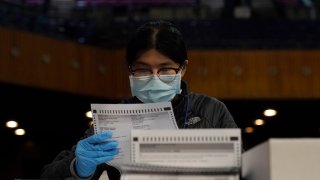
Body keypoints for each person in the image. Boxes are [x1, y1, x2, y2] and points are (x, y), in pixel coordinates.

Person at [40, 20, 238, 180]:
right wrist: (78, 167)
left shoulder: (211, 111)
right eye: (143, 69)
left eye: (165, 69)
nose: (154, 77)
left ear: (183, 68)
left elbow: (244, 170)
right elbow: (47, 175)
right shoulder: (112, 120)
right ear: (130, 70)